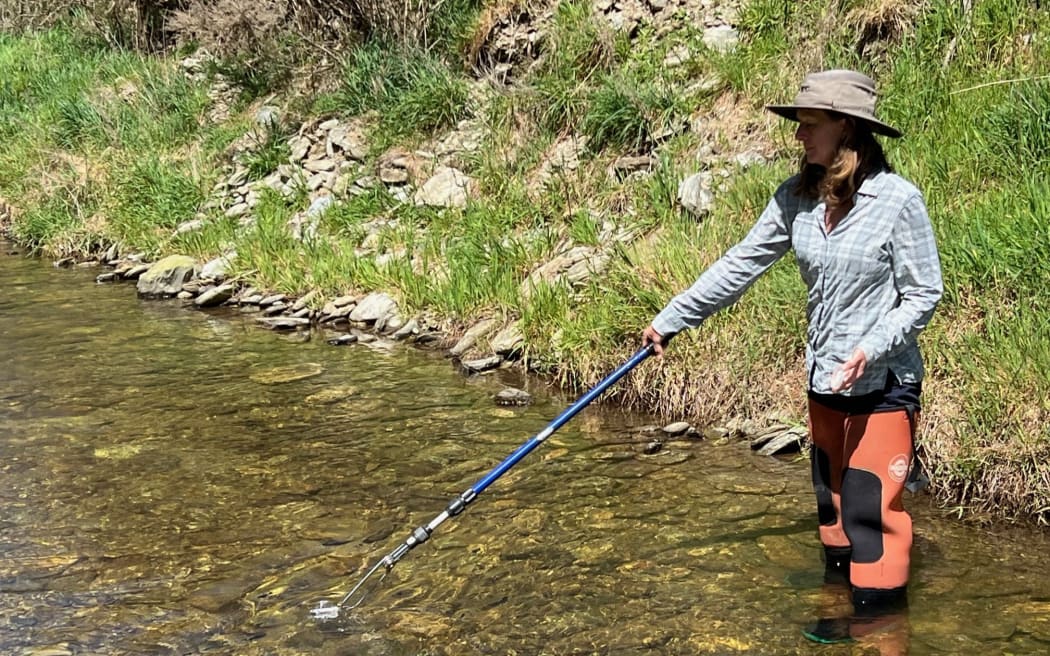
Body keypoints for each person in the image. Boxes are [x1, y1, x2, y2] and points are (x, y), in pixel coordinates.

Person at [641, 70, 943, 628]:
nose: (798, 137)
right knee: (831, 508)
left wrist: (872, 346)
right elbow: (740, 265)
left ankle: (880, 629)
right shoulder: (796, 198)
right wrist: (670, 321)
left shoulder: (898, 201)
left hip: (884, 382)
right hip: (824, 379)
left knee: (868, 511)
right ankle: (836, 610)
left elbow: (924, 292)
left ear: (845, 126)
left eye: (810, 125)